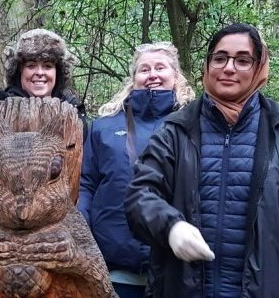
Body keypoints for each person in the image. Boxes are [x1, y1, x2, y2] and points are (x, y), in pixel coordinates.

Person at [125, 23, 279, 298]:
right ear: (208, 64)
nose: (229, 68)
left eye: (243, 60)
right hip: (183, 287)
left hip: (265, 288)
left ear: (258, 67)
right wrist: (171, 226)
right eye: (220, 58)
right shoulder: (177, 129)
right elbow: (140, 195)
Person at [79, 42, 195, 297]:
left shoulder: (194, 126)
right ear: (133, 79)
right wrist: (83, 231)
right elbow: (86, 184)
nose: (152, 74)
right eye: (144, 69)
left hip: (175, 270)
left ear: (175, 76)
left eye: (160, 67)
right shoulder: (104, 128)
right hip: (113, 268)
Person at [0, 28, 85, 222]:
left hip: (57, 218)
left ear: (58, 72)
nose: (39, 72)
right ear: (19, 71)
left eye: (48, 66)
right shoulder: (0, 109)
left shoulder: (72, 113)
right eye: (31, 65)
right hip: (1, 215)